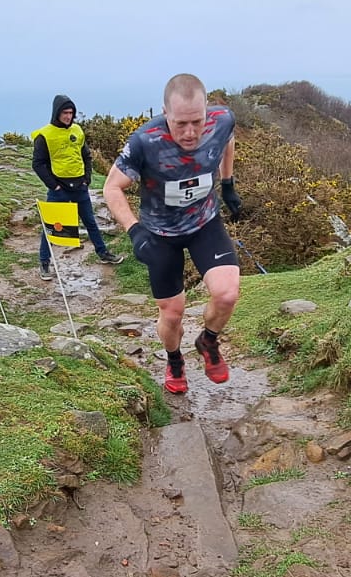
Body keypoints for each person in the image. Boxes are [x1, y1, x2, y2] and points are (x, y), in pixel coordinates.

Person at [103, 74, 244, 393]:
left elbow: (227, 139)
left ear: (207, 111)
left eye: (197, 121)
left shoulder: (222, 121)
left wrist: (228, 182)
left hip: (204, 223)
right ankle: (174, 359)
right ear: (165, 113)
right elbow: (111, 187)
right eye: (180, 123)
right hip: (160, 235)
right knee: (173, 312)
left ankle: (208, 343)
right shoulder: (145, 141)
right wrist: (135, 231)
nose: (190, 132)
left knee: (227, 294)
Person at [31, 94, 123, 280]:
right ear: (56, 113)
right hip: (59, 188)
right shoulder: (44, 136)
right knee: (52, 226)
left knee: (90, 222)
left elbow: (86, 156)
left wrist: (87, 179)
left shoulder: (78, 131)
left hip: (79, 186)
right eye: (65, 112)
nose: (68, 116)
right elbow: (38, 164)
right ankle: (44, 263)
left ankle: (103, 253)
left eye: (71, 113)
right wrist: (54, 186)